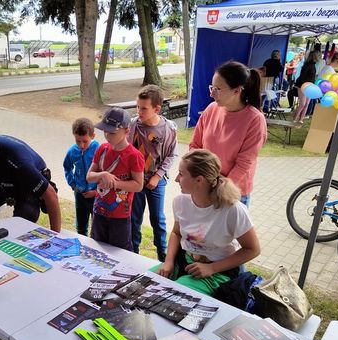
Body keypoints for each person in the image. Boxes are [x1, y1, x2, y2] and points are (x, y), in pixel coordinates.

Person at [158, 149, 260, 296]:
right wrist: (168, 262)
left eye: (181, 174)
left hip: (217, 272)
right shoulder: (180, 202)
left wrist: (212, 268)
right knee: (146, 284)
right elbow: (176, 233)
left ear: (199, 180)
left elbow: (253, 249)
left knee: (172, 295)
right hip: (185, 260)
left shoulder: (232, 209)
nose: (176, 179)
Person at [190, 61, 267, 207]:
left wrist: (217, 186)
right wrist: (204, 177)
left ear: (237, 91)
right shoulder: (211, 109)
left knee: (228, 230)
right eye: (212, 87)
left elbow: (244, 164)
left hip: (231, 191)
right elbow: (195, 145)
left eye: (218, 89)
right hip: (205, 185)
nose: (212, 93)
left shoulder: (255, 120)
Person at [128, 85, 178, 261]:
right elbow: (127, 150)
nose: (139, 111)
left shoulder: (168, 129)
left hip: (157, 182)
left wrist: (157, 176)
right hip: (136, 182)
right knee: (134, 219)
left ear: (156, 109)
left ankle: (163, 257)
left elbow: (172, 154)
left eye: (144, 108)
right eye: (138, 107)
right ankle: (133, 254)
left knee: (157, 219)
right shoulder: (133, 125)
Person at [86, 107, 144, 251]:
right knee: (97, 247)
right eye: (104, 130)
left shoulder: (134, 156)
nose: (107, 135)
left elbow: (138, 185)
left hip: (120, 216)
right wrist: (102, 175)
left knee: (120, 252)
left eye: (112, 132)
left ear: (126, 131)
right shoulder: (102, 149)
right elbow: (89, 177)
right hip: (99, 211)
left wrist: (115, 183)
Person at [63, 118, 100, 236]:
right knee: (81, 227)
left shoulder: (99, 150)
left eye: (85, 141)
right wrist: (73, 184)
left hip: (96, 196)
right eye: (78, 141)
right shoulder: (72, 151)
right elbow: (67, 167)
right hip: (80, 194)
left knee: (97, 227)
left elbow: (105, 172)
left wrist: (96, 191)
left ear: (93, 136)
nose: (81, 145)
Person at [293, 50, 319, 123]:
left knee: (307, 103)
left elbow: (312, 77)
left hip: (309, 86)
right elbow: (302, 76)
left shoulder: (314, 65)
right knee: (302, 104)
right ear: (314, 57)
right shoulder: (307, 65)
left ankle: (301, 119)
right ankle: (295, 118)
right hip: (302, 85)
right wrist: (304, 86)